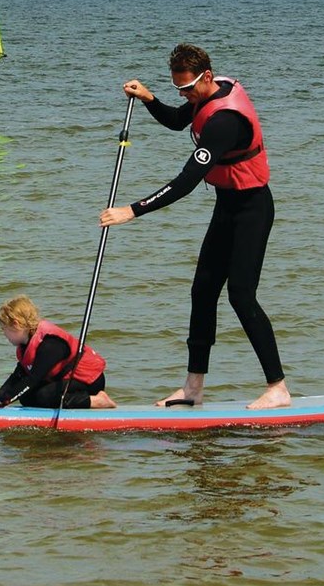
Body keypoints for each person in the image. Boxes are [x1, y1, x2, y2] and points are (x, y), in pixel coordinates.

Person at [98, 43, 291, 410]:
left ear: (206, 77)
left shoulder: (225, 121)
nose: (183, 95)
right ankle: (193, 388)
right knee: (202, 291)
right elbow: (176, 120)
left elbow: (186, 181)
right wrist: (149, 98)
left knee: (241, 295)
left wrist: (132, 211)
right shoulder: (206, 92)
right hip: (227, 205)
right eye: (178, 88)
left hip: (252, 209)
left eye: (186, 88)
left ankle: (278, 388)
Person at [0, 296, 116, 409]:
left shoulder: (49, 344)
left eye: (4, 328)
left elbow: (33, 379)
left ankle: (97, 401)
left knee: (43, 396)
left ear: (16, 324)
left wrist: (0, 402)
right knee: (26, 397)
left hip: (90, 381)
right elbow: (17, 377)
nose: (4, 333)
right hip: (66, 381)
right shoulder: (26, 345)